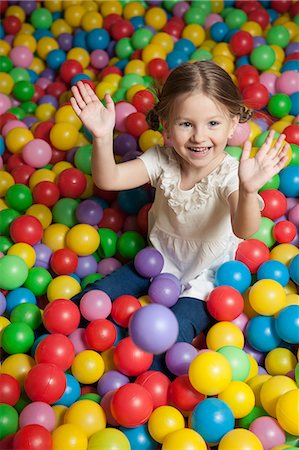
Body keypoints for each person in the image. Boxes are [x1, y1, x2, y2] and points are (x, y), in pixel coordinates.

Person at [70, 60, 289, 372]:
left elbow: (245, 229)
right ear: (165, 124)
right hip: (156, 263)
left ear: (232, 123)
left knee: (172, 344)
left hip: (204, 280)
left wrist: (250, 189)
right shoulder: (162, 160)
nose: (199, 137)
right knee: (91, 301)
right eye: (186, 124)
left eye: (213, 124)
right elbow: (109, 180)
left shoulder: (231, 174)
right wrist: (103, 137)